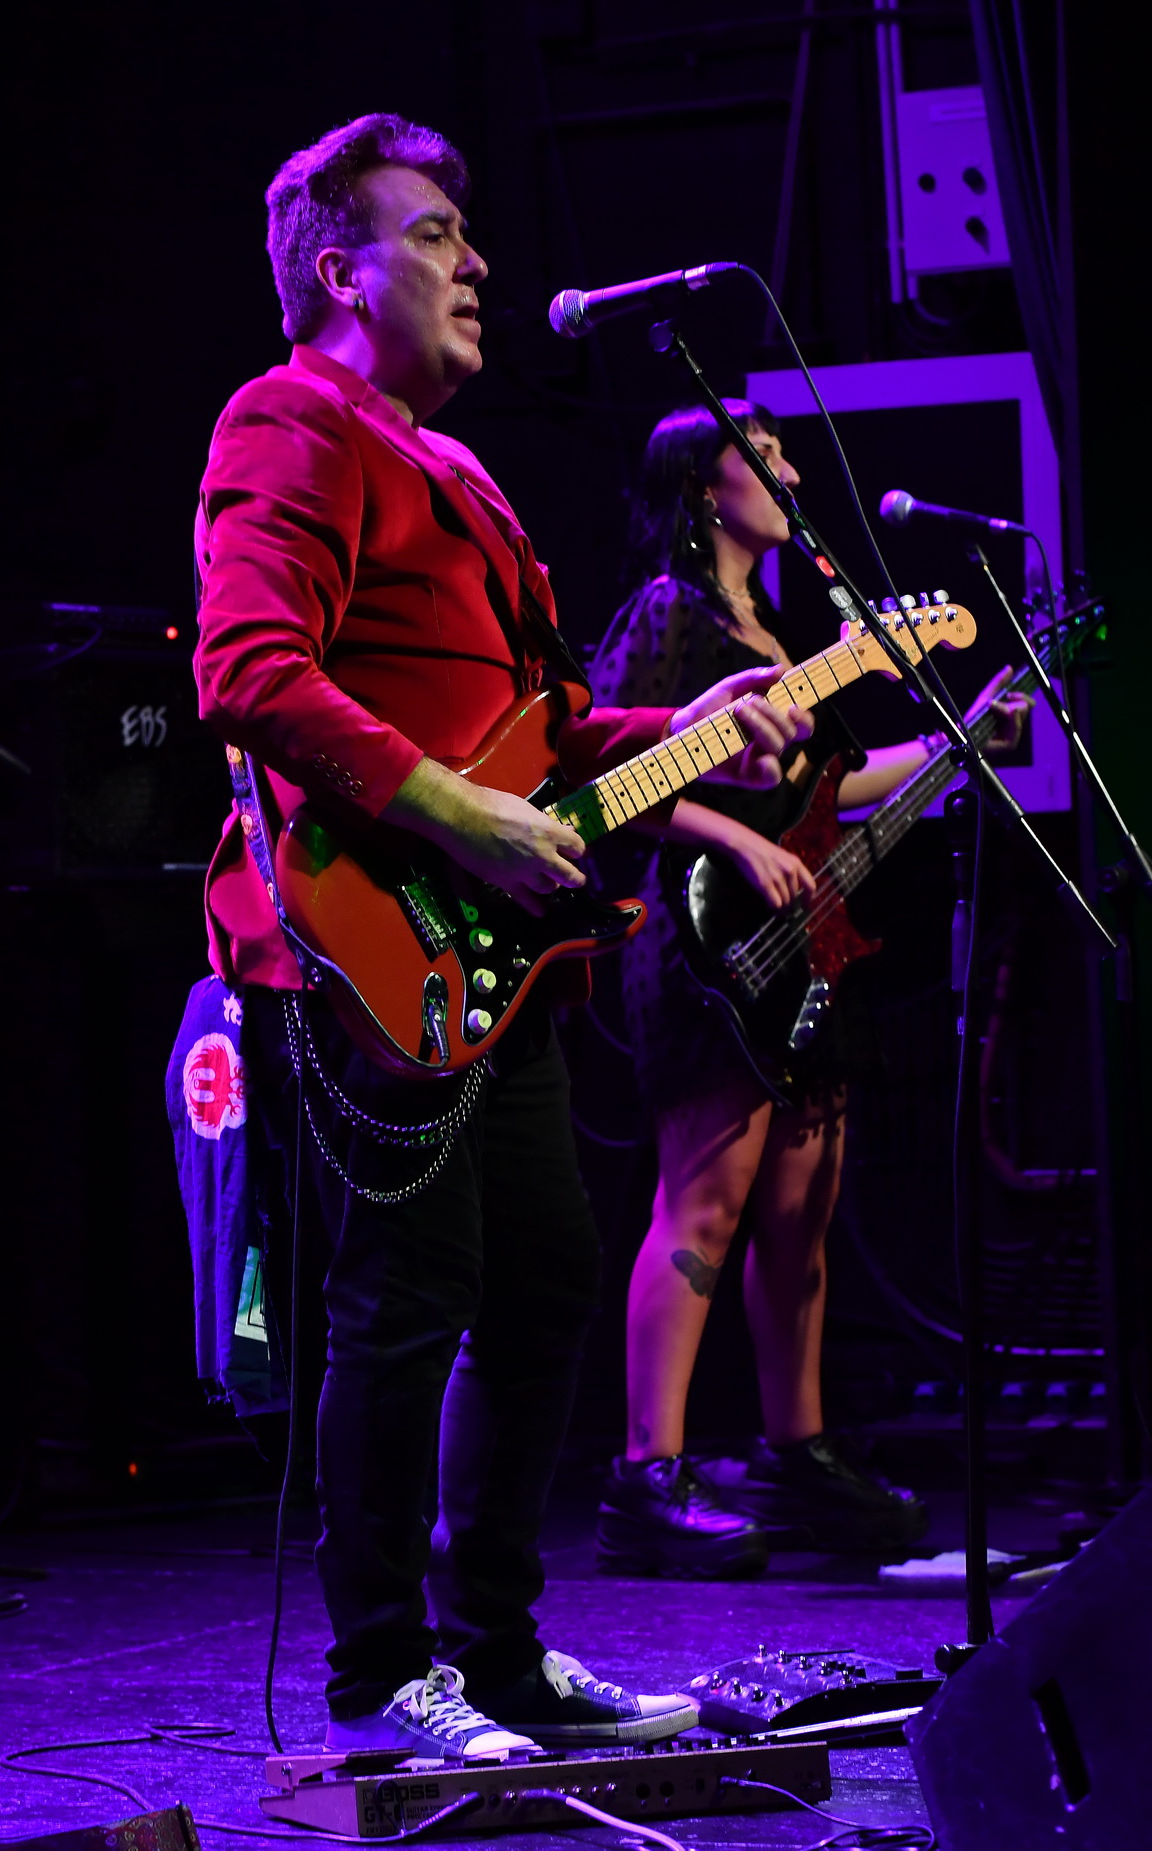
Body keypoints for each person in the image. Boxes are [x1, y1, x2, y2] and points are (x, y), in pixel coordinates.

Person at [191, 117, 809, 1759]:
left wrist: (697, 726)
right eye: (436, 235)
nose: (476, 264)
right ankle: (380, 1673)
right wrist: (456, 814)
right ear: (341, 273)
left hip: (495, 953)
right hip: (372, 941)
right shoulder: (289, 420)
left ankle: (497, 1651)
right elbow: (247, 668)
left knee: (540, 1282)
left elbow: (540, 731)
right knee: (407, 1295)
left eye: (469, 236)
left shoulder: (451, 467)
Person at [589, 401, 1028, 1577]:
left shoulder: (774, 630)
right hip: (700, 936)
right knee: (706, 1200)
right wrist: (736, 842)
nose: (787, 469)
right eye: (763, 453)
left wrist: (959, 744)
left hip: (795, 940)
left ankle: (798, 1454)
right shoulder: (668, 612)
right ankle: (646, 1474)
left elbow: (825, 791)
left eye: (785, 450)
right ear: (703, 488)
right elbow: (612, 780)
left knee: (801, 1206)